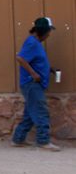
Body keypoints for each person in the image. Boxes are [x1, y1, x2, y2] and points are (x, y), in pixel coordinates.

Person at [11, 17, 61, 151]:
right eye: (49, 31)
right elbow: (20, 58)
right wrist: (33, 74)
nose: (49, 35)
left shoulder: (36, 43)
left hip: (33, 84)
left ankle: (18, 139)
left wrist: (50, 69)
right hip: (31, 83)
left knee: (30, 113)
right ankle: (43, 141)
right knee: (41, 111)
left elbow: (36, 61)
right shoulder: (32, 43)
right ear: (43, 31)